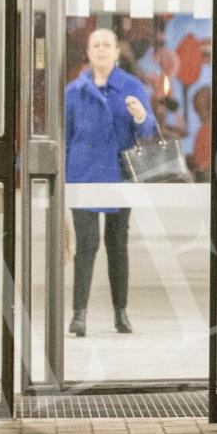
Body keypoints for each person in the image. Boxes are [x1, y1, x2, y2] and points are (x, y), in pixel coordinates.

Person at [65, 28, 157, 337]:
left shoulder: (131, 86)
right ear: (88, 52)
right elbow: (65, 137)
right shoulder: (74, 91)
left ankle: (121, 312)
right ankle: (79, 314)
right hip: (83, 176)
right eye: (96, 45)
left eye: (107, 45)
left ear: (117, 52)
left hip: (120, 176)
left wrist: (141, 115)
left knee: (118, 245)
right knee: (86, 246)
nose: (102, 50)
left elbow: (148, 131)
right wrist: (63, 181)